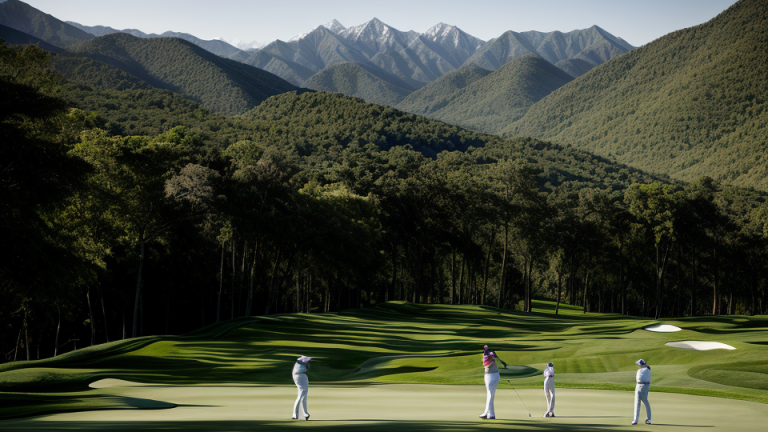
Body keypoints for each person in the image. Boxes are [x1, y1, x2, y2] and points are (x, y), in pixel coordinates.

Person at [479, 345, 507, 420]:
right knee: (490, 394)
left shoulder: (491, 355)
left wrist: (494, 355)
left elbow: (493, 357)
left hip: (493, 376)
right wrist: (491, 354)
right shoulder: (486, 356)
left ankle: (486, 412)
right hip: (489, 376)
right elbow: (488, 356)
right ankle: (491, 414)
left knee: (490, 394)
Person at [632, 359, 651, 425]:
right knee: (638, 402)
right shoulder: (647, 370)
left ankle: (647, 419)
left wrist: (646, 365)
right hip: (639, 386)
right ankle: (636, 419)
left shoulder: (644, 370)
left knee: (643, 402)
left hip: (643, 386)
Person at [292, 355, 312, 420]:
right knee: (301, 395)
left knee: (304, 396)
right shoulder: (300, 361)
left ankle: (305, 414)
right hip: (300, 376)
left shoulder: (300, 363)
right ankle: (295, 414)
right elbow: (307, 360)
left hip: (302, 376)